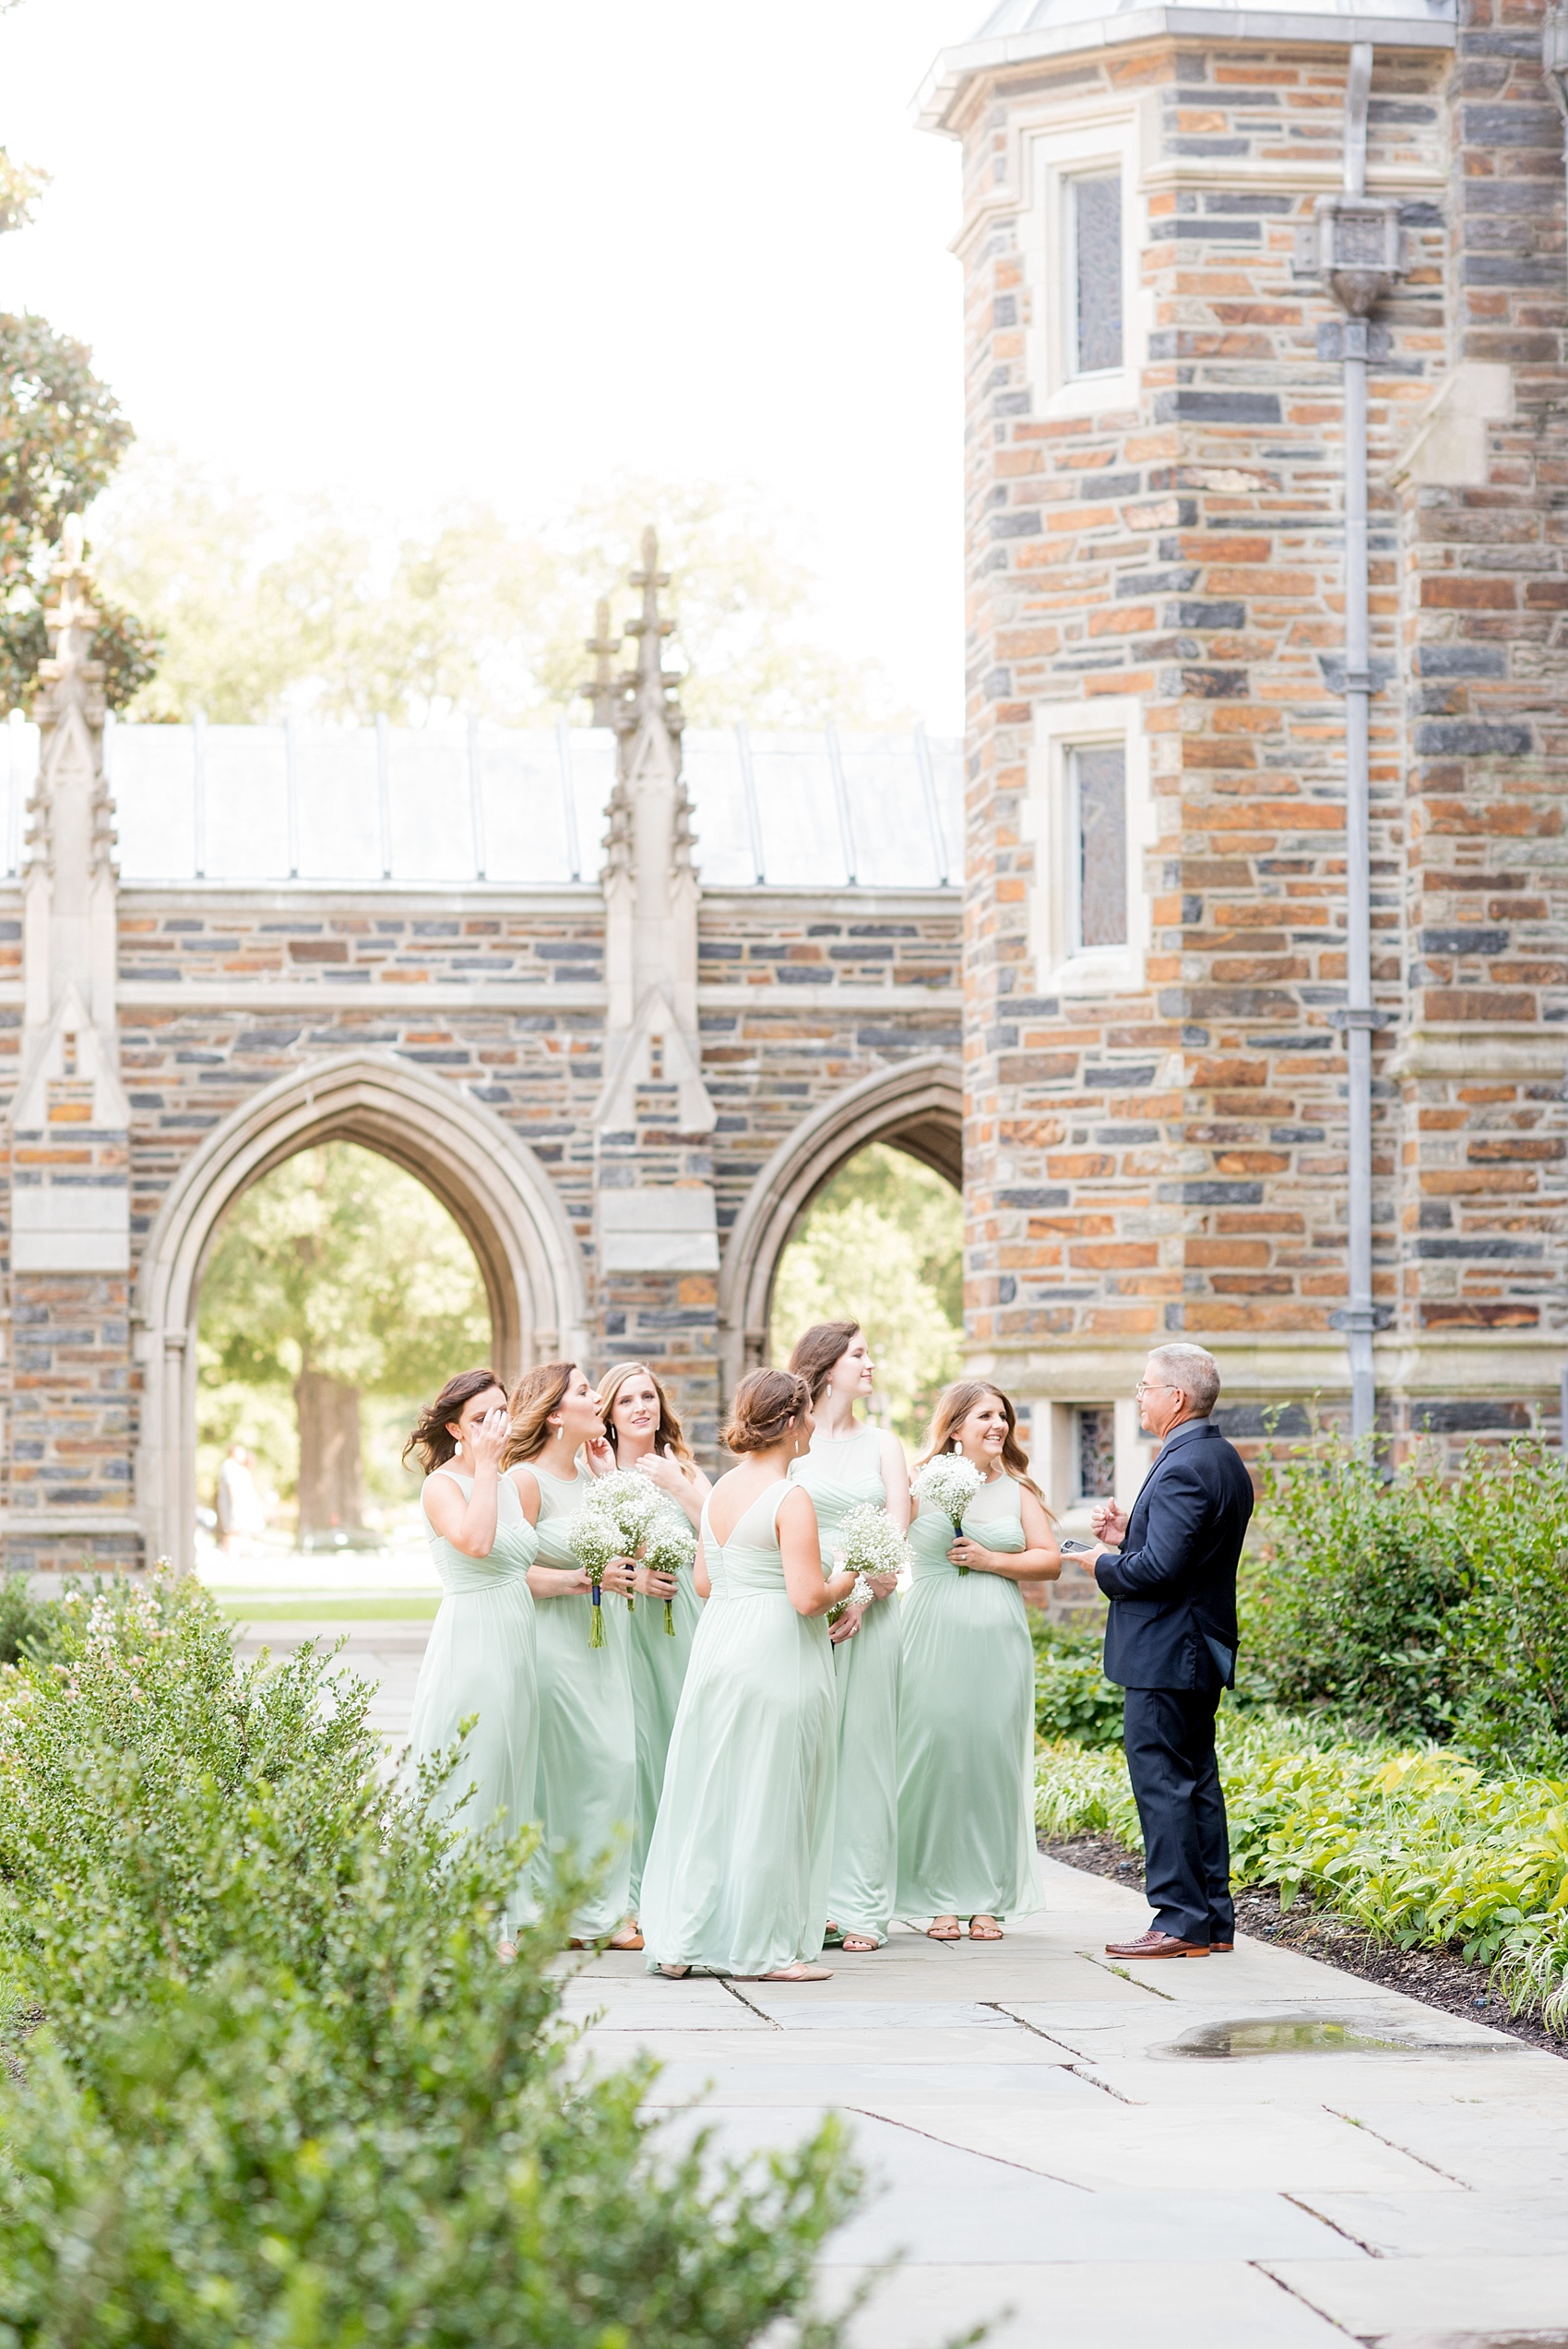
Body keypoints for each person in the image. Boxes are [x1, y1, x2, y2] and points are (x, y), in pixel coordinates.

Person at [640, 1367, 858, 1983]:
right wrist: (855, 1572)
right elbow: (809, 1597)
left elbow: (706, 1584)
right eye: (808, 1413)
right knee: (772, 1794)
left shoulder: (718, 1494)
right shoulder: (791, 1497)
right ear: (790, 1423)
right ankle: (764, 1950)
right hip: (777, 1654)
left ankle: (682, 1941)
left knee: (711, 1795)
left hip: (720, 1649)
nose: (814, 1422)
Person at [1075, 1342, 1254, 1960]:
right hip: (1195, 1647)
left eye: (1146, 1386)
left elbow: (1157, 1573)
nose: (1140, 1395)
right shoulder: (1218, 1456)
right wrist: (1132, 1533)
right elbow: (1186, 1552)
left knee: (1163, 1783)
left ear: (1175, 1398)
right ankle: (1211, 1922)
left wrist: (1101, 1561)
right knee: (1196, 1779)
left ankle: (1178, 1920)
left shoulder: (1183, 1463)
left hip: (1167, 1651)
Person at [897, 1379, 1060, 1942]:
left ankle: (987, 1898)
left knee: (992, 1760)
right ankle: (936, 1896)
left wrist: (992, 1558)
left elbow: (1049, 1561)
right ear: (955, 1426)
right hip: (930, 1633)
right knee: (934, 1755)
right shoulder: (918, 1483)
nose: (999, 1426)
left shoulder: (1017, 1490)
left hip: (998, 1640)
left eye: (1004, 1417)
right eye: (986, 1416)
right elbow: (885, 1544)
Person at [504, 1360, 648, 1952]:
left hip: (604, 1644)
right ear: (556, 1413)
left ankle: (604, 1909)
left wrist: (612, 1477)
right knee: (557, 1774)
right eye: (587, 1391)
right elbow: (510, 1572)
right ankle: (547, 1908)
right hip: (552, 1644)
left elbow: (633, 1556)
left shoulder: (595, 1478)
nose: (599, 1398)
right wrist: (584, 1579)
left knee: (614, 1766)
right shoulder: (524, 1482)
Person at [401, 1368, 540, 1955]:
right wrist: (485, 1467)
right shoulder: (444, 1485)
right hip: (472, 1642)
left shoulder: (508, 1483)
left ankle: (500, 1915)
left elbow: (521, 1564)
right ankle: (465, 1922)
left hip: (516, 1642)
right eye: (481, 1418)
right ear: (456, 1428)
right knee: (474, 1775)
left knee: (510, 1777)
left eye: (501, 1412)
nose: (495, 1426)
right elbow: (478, 1544)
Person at [788, 1321, 908, 1952]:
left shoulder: (884, 1445)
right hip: (802, 1619)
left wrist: (859, 1596)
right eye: (858, 1354)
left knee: (863, 1757)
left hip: (872, 1622)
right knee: (805, 1759)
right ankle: (810, 1902)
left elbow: (897, 1543)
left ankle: (861, 1905)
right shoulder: (792, 1443)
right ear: (827, 1366)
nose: (869, 1363)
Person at [595, 1359, 710, 1915]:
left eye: (648, 1396)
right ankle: (632, 1890)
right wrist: (634, 1572)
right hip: (627, 1623)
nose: (641, 1407)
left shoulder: (684, 1470)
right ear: (609, 1415)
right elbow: (587, 1549)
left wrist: (676, 1485)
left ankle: (682, 1884)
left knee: (681, 1745)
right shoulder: (596, 1474)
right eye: (626, 1400)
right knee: (633, 1752)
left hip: (684, 1620)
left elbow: (721, 1532)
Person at [216, 1441, 267, 1554]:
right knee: (231, 1530)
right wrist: (235, 1506)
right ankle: (227, 1553)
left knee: (234, 1530)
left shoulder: (238, 1468)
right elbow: (231, 1486)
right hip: (231, 1504)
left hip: (235, 1504)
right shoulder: (229, 1465)